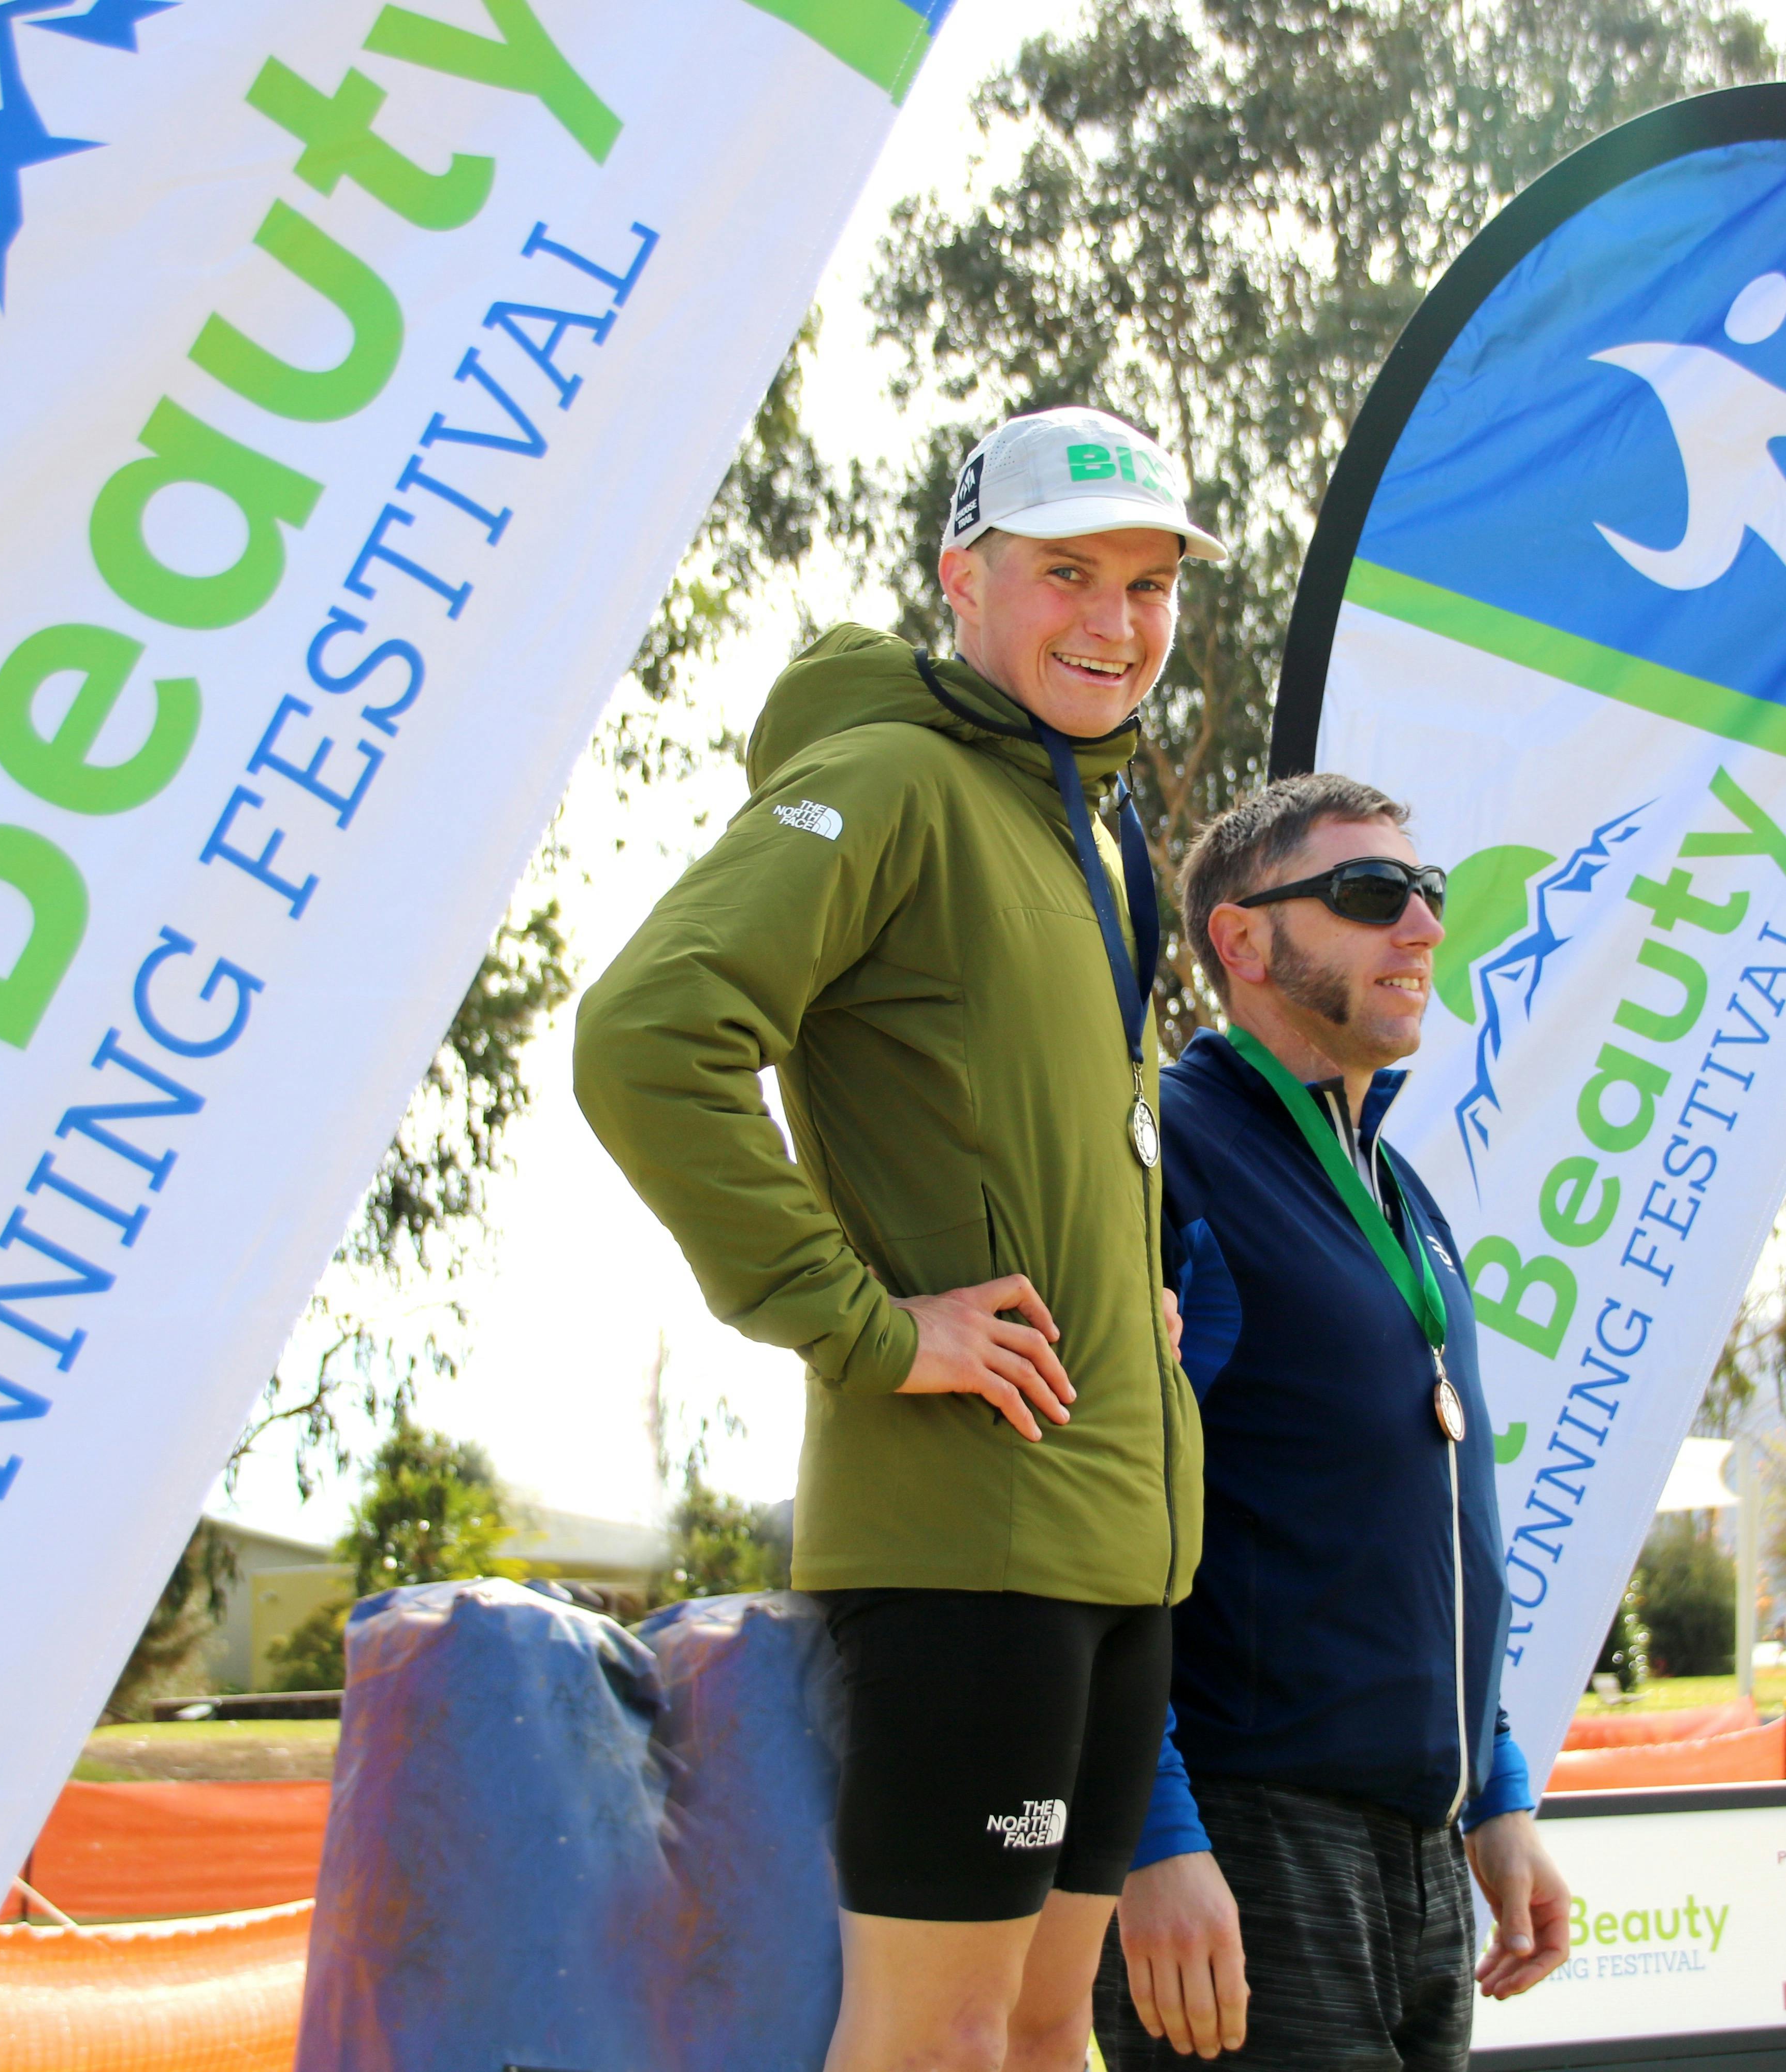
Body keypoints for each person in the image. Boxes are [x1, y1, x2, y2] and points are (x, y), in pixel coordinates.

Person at [574, 407, 1223, 2071]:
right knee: (932, 2044)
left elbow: (1040, 1134)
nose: (1112, 620)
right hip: (964, 1546)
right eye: (1066, 573)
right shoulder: (887, 778)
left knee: (1034, 2033)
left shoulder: (1094, 826)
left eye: (1149, 584)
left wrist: (1128, 1290)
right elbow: (649, 1035)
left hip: (1114, 1547)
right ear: (964, 579)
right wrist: (874, 1326)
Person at [1091, 775, 1572, 2070]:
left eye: (1429, 895)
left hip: (1420, 1850)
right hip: (1245, 1842)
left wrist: (1496, 1784)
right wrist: (1150, 1834)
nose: (1420, 926)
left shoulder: (1401, 1191)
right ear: (1242, 941)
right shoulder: (1162, 1156)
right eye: (1371, 895)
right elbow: (1087, 1525)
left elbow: (1410, 1523)